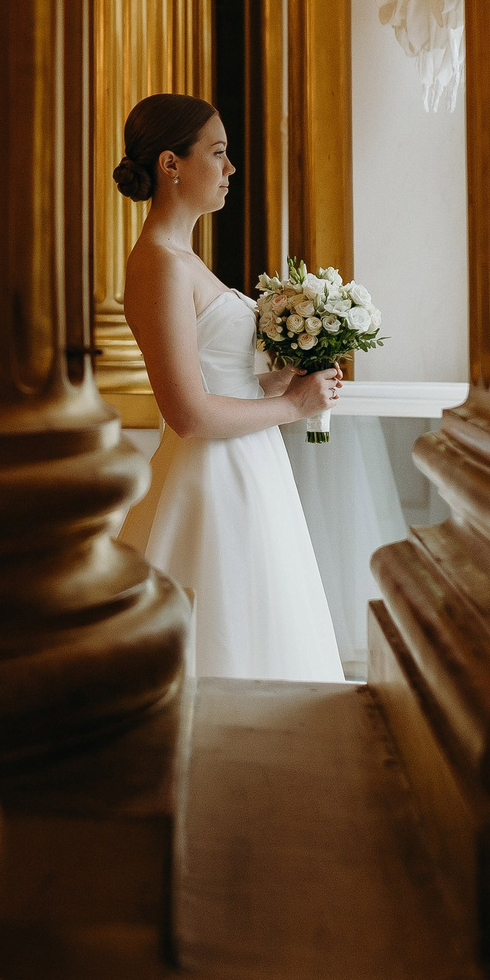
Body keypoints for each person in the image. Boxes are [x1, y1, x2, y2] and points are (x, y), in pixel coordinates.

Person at [110, 94, 344, 683]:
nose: (230, 169)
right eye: (217, 154)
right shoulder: (160, 263)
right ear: (171, 164)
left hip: (248, 467)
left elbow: (216, 377)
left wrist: (279, 380)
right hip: (210, 478)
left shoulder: (183, 258)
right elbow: (186, 413)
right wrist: (291, 405)